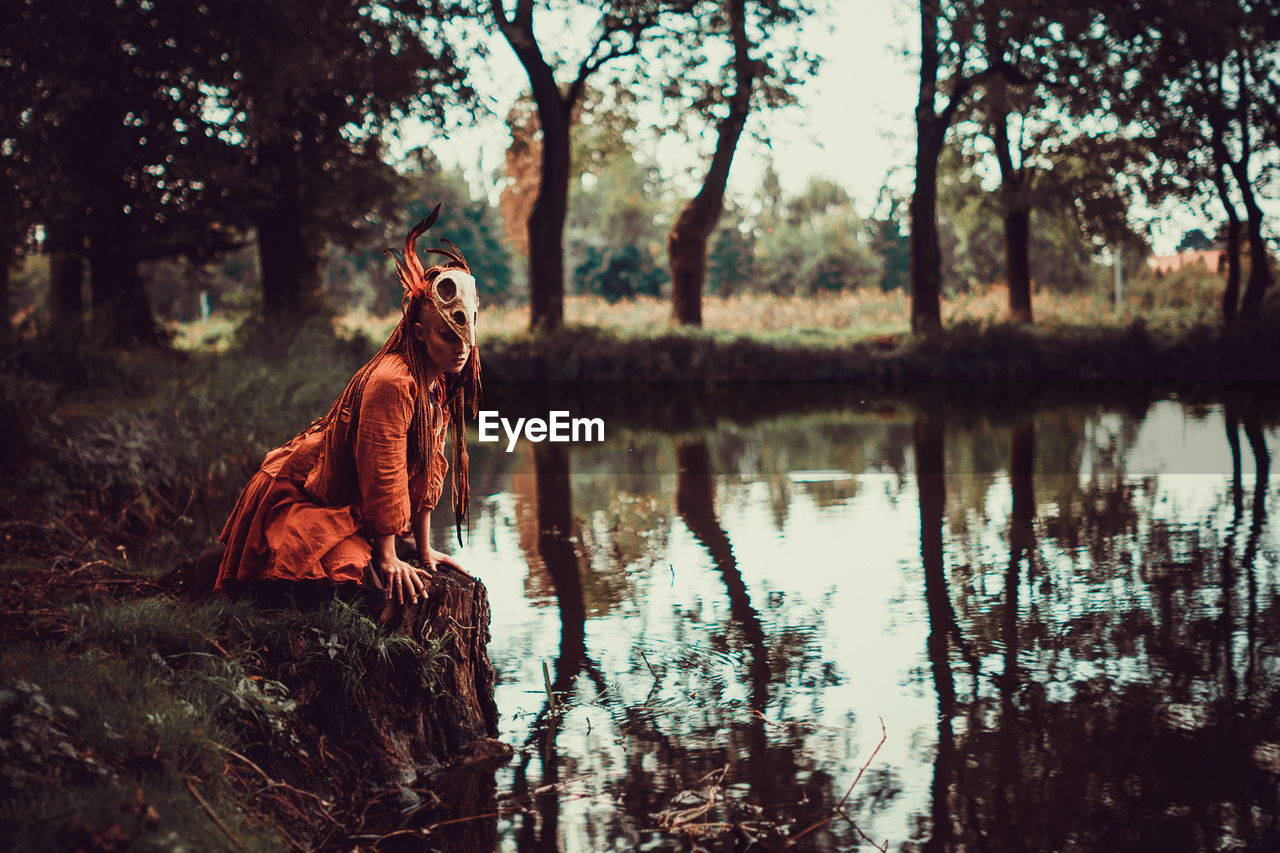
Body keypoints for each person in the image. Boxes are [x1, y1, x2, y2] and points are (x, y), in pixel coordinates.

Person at [212, 205, 482, 607]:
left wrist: (424, 551)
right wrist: (389, 556)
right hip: (305, 496)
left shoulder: (437, 384)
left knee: (390, 566)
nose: (461, 348)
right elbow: (383, 471)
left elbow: (428, 470)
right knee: (355, 574)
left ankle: (386, 548)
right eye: (448, 336)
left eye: (467, 335)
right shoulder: (393, 383)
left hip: (346, 504)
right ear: (421, 333)